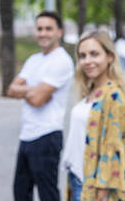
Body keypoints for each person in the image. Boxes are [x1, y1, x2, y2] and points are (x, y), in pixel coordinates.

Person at [7, 11, 74, 201]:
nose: (43, 33)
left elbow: (36, 100)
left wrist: (29, 92)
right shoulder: (33, 60)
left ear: (59, 32)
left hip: (47, 136)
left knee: (48, 194)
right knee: (20, 193)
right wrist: (35, 90)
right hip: (26, 136)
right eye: (39, 29)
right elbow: (11, 89)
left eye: (48, 29)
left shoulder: (61, 61)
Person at [61, 30, 125, 201]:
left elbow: (112, 148)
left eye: (94, 54)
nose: (87, 61)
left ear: (110, 57)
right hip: (77, 176)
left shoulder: (114, 96)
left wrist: (102, 194)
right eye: (83, 56)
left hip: (94, 187)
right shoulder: (91, 92)